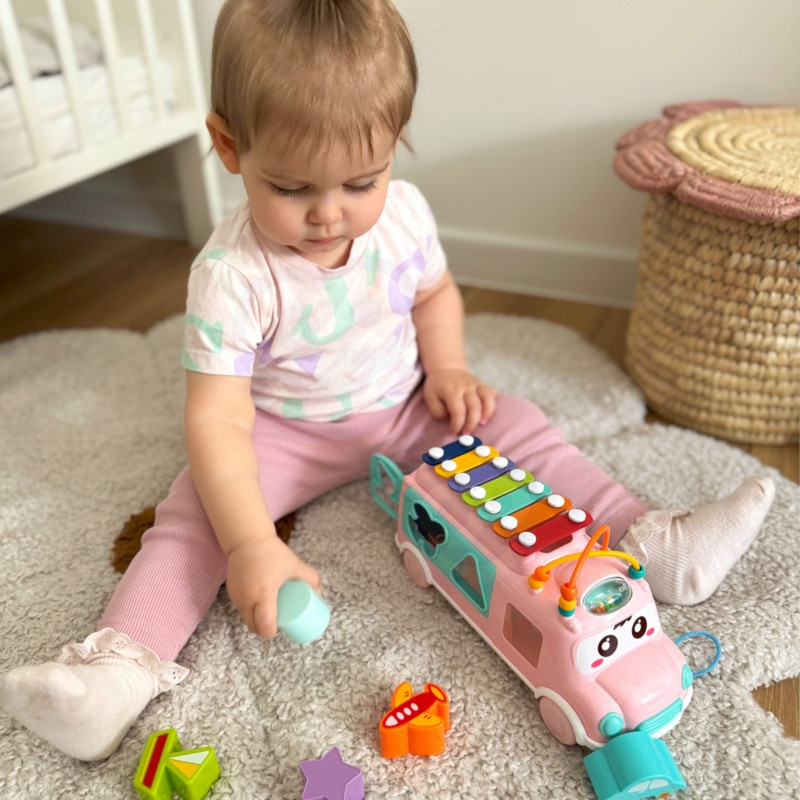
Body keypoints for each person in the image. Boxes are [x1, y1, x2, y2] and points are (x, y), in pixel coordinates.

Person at [1, 0, 774, 763]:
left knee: (519, 422)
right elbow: (217, 421)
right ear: (229, 146)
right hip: (284, 433)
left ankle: (650, 542)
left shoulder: (403, 216)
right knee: (196, 511)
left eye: (360, 181)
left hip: (408, 406)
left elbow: (434, 295)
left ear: (393, 151)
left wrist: (449, 370)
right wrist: (249, 542)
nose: (330, 214)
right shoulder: (232, 276)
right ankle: (115, 673)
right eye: (294, 189)